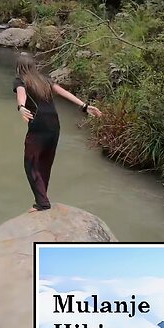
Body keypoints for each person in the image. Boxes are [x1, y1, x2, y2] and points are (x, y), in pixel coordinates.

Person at [13, 53, 102, 211]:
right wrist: (85, 106)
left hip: (39, 125)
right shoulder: (44, 80)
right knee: (45, 163)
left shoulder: (21, 80)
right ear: (33, 66)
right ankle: (42, 199)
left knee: (31, 163)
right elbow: (64, 93)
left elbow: (21, 94)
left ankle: (42, 203)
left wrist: (21, 107)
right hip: (54, 125)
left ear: (19, 67)